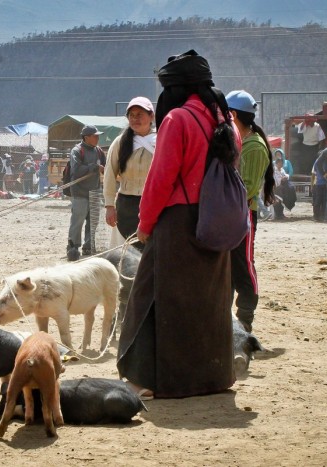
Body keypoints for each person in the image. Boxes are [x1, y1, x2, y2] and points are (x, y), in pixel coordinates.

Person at [117, 49, 237, 399]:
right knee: (208, 302)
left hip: (178, 223)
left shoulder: (178, 120)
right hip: (215, 221)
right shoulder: (225, 121)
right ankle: (212, 377)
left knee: (151, 297)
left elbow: (161, 179)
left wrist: (145, 223)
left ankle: (148, 379)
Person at [226, 89, 275, 332]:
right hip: (228, 214)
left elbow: (247, 188)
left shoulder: (254, 147)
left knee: (244, 265)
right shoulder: (237, 141)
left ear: (232, 114)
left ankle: (246, 316)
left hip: (242, 215)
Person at [103, 96, 156, 250]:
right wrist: (109, 206)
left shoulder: (160, 141)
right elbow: (109, 174)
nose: (135, 119)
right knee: (125, 250)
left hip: (153, 203)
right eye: (131, 115)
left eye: (139, 114)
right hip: (126, 205)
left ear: (151, 116)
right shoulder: (121, 142)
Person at [66, 125, 105, 260]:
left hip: (95, 191)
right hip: (80, 192)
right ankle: (73, 247)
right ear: (86, 137)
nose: (97, 138)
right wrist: (94, 167)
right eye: (95, 136)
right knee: (78, 220)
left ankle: (89, 246)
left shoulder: (99, 151)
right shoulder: (77, 151)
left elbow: (106, 167)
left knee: (93, 221)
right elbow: (76, 171)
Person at [311, 153, 327, 222]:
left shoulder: (317, 161)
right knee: (320, 200)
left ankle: (318, 216)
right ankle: (318, 216)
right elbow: (313, 174)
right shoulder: (324, 161)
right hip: (320, 183)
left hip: (320, 183)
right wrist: (312, 184)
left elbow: (314, 173)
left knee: (321, 200)